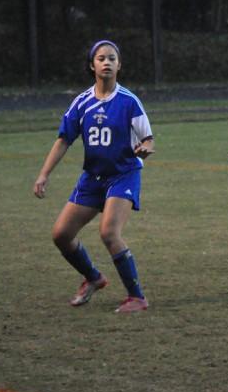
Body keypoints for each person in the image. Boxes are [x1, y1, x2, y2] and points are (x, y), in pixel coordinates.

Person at [32, 40, 155, 314]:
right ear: (92, 65)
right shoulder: (82, 102)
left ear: (119, 65)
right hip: (93, 178)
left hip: (123, 175)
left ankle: (137, 297)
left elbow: (148, 138)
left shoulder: (129, 101)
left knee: (109, 233)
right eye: (101, 58)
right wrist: (44, 174)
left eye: (112, 58)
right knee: (61, 234)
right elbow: (64, 139)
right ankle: (94, 277)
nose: (107, 62)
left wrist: (145, 149)